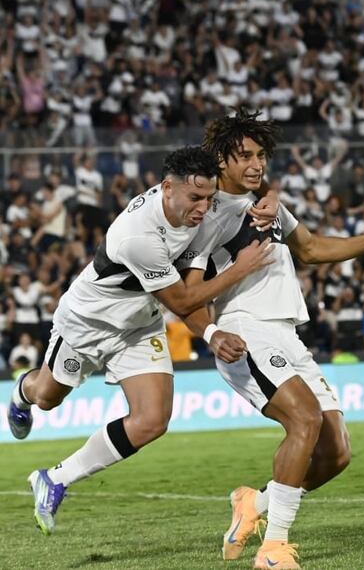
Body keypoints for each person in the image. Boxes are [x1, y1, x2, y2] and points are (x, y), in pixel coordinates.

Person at [176, 109, 364, 570]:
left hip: (286, 334)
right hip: (245, 331)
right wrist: (211, 332)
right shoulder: (206, 217)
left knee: (335, 452)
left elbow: (309, 249)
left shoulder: (269, 204)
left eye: (261, 154)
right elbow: (186, 294)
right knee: (305, 420)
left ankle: (254, 503)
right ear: (221, 161)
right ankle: (273, 550)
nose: (256, 163)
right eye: (244, 155)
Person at [6, 146, 275, 535]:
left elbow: (256, 184)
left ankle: (55, 479)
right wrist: (238, 270)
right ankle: (21, 393)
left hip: (138, 325)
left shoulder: (194, 201)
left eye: (209, 199)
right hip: (87, 324)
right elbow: (182, 300)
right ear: (167, 187)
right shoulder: (138, 236)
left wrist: (273, 197)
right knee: (48, 396)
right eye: (195, 198)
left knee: (152, 420)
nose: (203, 208)